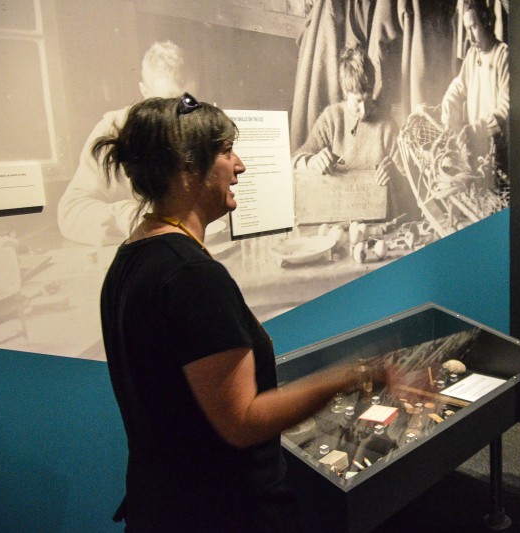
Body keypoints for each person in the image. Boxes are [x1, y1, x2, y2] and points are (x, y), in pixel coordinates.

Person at [95, 93, 383, 531]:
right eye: (226, 152)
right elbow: (242, 422)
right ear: (188, 168)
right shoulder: (192, 276)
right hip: (223, 512)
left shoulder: (130, 259)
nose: (240, 165)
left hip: (164, 506)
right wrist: (344, 378)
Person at [57, 40, 193, 246]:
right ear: (145, 92)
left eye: (190, 102)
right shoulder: (114, 131)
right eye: (169, 101)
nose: (183, 114)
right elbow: (71, 212)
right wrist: (127, 215)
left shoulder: (203, 126)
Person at [292, 46, 414, 219]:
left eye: (368, 99)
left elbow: (411, 189)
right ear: (345, 92)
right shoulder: (331, 118)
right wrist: (311, 161)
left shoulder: (387, 127)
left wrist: (397, 179)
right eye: (357, 101)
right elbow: (295, 160)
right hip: (334, 218)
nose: (364, 111)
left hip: (378, 223)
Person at [440, 0, 509, 173]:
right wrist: (449, 105)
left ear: (486, 21)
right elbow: (458, 87)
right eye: (467, 29)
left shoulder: (503, 55)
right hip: (475, 149)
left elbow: (507, 109)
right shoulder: (472, 55)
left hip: (498, 152)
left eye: (473, 27)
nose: (470, 36)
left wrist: (479, 130)